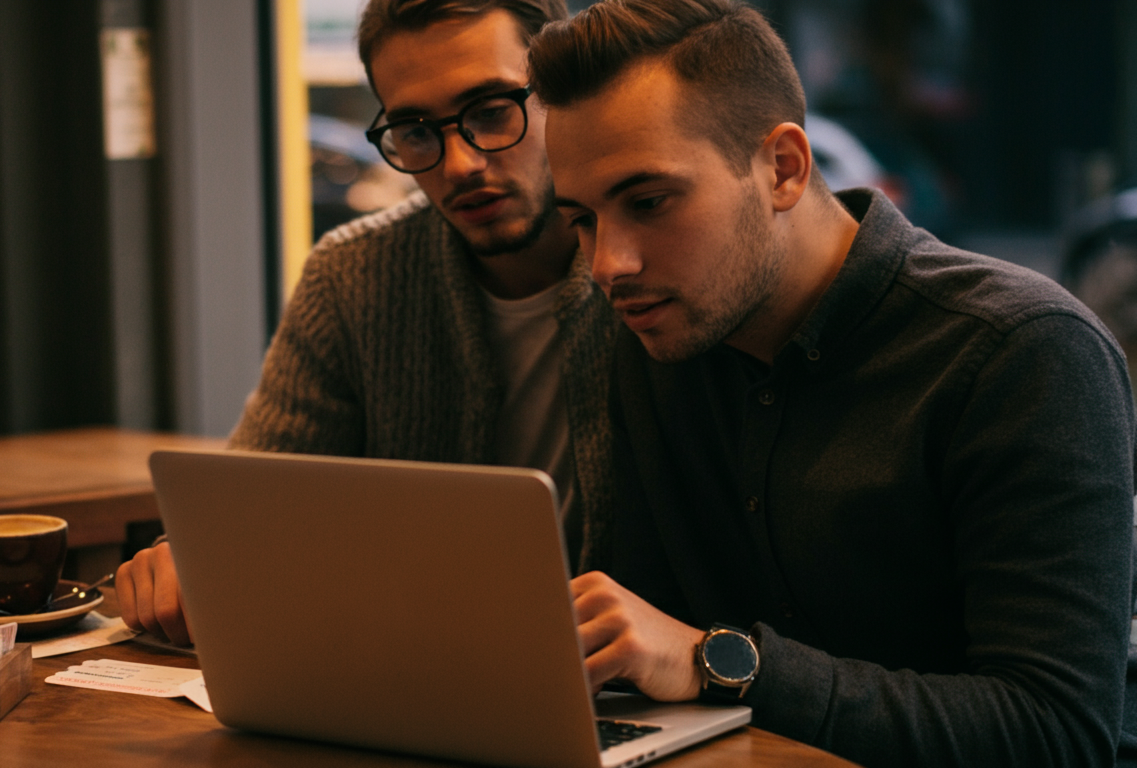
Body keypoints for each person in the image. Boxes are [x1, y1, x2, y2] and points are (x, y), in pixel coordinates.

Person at [529, 1, 1136, 766]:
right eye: (581, 219)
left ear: (783, 167)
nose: (608, 265)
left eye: (648, 203)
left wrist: (716, 662)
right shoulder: (658, 344)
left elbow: (1056, 732)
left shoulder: (1022, 351)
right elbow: (650, 647)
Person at [117, 0, 617, 645]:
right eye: (415, 131)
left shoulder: (652, 266)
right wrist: (191, 554)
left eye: (492, 112)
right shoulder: (355, 276)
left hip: (628, 687)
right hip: (415, 663)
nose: (459, 163)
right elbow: (255, 506)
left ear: (564, 95)